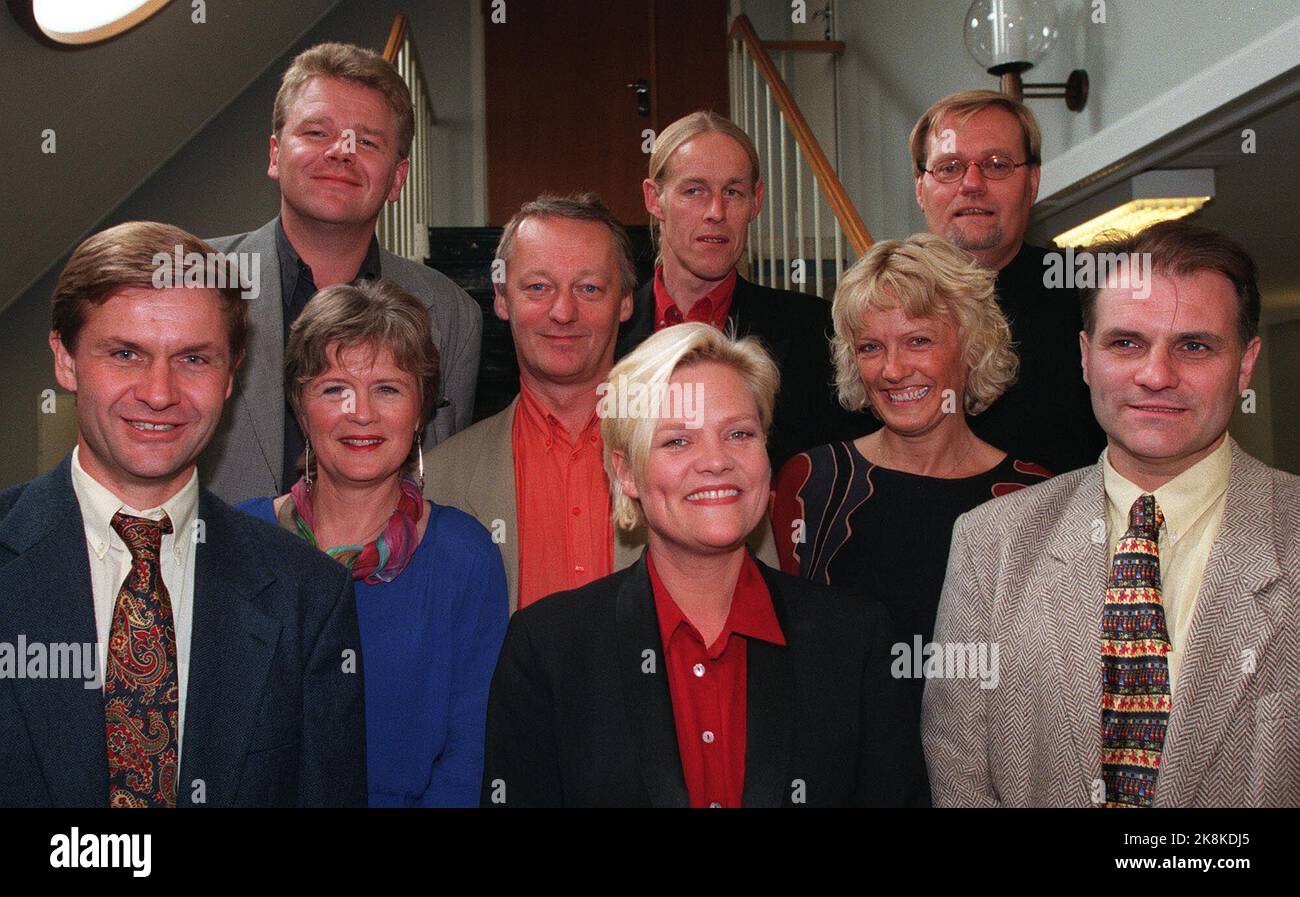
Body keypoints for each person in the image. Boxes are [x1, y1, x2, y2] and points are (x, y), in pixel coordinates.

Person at [923, 221, 1299, 807]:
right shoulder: (988, 544)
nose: (1156, 375)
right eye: (1126, 343)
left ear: (1246, 364)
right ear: (1085, 357)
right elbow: (961, 779)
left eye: (1194, 346)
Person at [0, 221, 365, 807]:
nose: (160, 392)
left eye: (194, 359)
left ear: (230, 375)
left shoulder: (309, 597)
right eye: (125, 354)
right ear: (65, 362)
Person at [481, 323, 920, 807]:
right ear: (626, 471)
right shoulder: (547, 650)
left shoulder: (855, 640)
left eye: (738, 433)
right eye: (677, 441)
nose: (716, 461)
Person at [771, 234, 1051, 791]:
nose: (894, 370)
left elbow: (1042, 685)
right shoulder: (810, 484)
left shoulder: (1036, 497)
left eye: (918, 340)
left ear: (971, 345)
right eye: (871, 347)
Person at [425, 193, 777, 612]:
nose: (563, 312)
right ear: (501, 299)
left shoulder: (707, 465)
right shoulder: (439, 479)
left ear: (627, 300)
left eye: (589, 288)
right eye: (538, 287)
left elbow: (761, 618)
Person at [236, 278, 508, 807]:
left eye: (387, 388)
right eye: (334, 387)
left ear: (421, 410)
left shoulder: (465, 556)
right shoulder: (238, 544)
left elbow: (469, 759)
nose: (360, 412)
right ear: (301, 405)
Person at [204, 42, 482, 504]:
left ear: (397, 178)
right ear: (275, 154)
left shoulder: (453, 315)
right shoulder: (195, 284)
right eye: (316, 132)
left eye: (367, 141)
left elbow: (439, 482)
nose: (341, 152)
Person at [618, 110, 861, 471]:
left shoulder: (815, 331)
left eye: (733, 192)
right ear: (655, 199)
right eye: (694, 190)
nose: (716, 211)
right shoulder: (607, 331)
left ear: (756, 201)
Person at [911, 90, 1104, 473]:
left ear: (1032, 182)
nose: (972, 184)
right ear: (920, 187)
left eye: (997, 164)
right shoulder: (879, 305)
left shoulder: (1094, 290)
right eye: (949, 167)